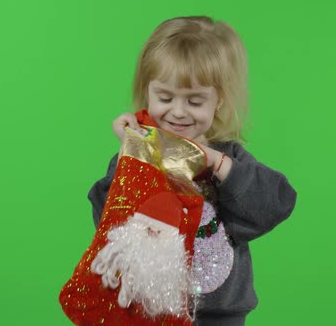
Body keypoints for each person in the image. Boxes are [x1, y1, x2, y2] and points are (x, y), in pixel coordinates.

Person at [88, 16, 297, 326]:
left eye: (195, 101)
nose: (178, 111)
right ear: (148, 91)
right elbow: (108, 224)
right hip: (146, 312)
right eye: (165, 97)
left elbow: (273, 205)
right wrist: (129, 155)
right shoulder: (143, 150)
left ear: (219, 100)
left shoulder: (229, 157)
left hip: (218, 317)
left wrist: (218, 165)